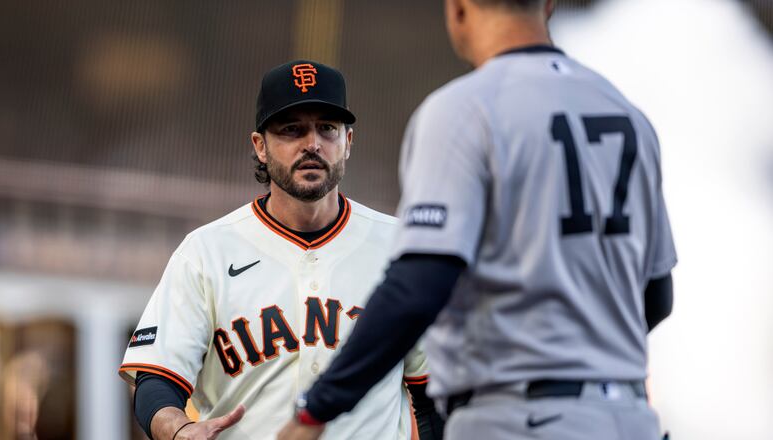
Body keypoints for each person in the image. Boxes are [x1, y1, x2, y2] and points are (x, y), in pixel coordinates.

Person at [278, 1, 677, 439]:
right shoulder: (628, 115)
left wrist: (317, 409)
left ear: (458, 9)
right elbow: (656, 297)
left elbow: (417, 288)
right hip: (631, 417)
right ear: (548, 5)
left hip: (517, 416)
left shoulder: (464, 109)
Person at [119, 60, 443, 440]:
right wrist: (178, 429)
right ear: (260, 146)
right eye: (292, 130)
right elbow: (156, 380)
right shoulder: (206, 251)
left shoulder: (400, 246)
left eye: (327, 128)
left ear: (348, 142)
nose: (312, 144)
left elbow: (431, 395)